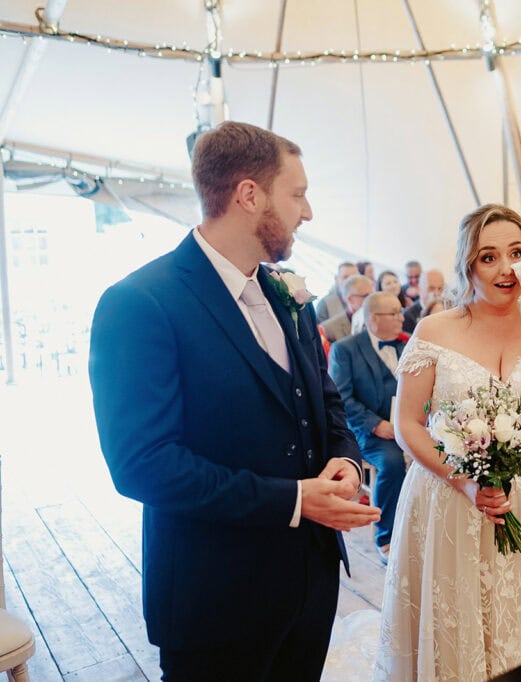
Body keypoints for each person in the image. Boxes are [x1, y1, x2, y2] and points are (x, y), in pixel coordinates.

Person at [88, 121, 381, 681]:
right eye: (297, 194)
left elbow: (326, 402)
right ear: (250, 195)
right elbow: (143, 466)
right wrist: (294, 500)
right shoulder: (140, 303)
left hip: (311, 587)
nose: (308, 212)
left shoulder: (288, 295)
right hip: (215, 601)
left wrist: (342, 460)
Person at [374, 204, 521, 681]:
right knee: (458, 625)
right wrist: (465, 483)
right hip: (452, 499)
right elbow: (408, 423)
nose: (505, 267)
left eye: (516, 252)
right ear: (468, 265)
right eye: (488, 256)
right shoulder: (435, 330)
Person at [328, 292, 409, 565]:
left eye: (401, 312)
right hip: (367, 432)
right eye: (395, 313)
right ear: (373, 319)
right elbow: (340, 398)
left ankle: (419, 529)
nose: (402, 317)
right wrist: (377, 425)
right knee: (392, 461)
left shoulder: (406, 344)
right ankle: (385, 537)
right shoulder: (346, 349)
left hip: (409, 426)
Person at [328, 273, 373, 340]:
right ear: (350, 299)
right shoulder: (330, 329)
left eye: (373, 295)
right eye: (366, 296)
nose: (371, 300)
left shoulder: (377, 319)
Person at [402, 268, 446, 334]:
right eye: (431, 288)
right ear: (420, 289)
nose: (437, 294)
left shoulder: (448, 310)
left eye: (440, 289)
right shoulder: (408, 316)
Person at [316, 260, 357, 329]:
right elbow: (321, 333)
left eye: (353, 278)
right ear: (336, 278)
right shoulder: (324, 304)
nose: (350, 281)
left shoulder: (364, 300)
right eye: (345, 277)